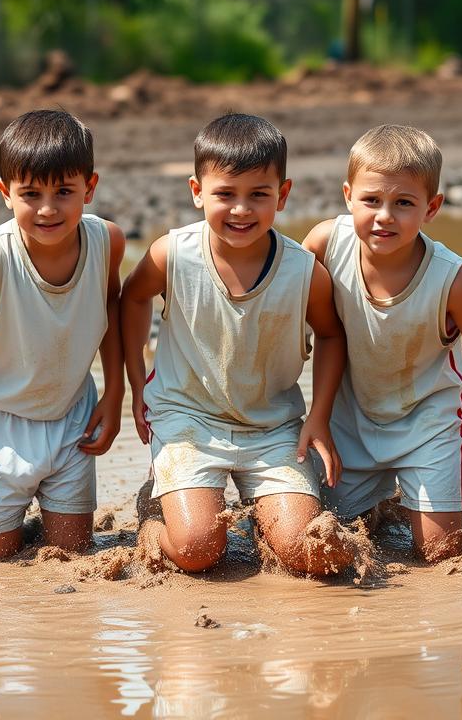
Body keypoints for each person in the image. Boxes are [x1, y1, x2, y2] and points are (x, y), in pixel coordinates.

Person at [121, 112, 352, 576]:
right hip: (188, 418)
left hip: (272, 428)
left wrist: (320, 418)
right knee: (198, 549)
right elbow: (132, 298)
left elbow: (331, 334)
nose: (241, 210)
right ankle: (154, 519)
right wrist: (134, 383)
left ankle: (266, 517)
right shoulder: (174, 254)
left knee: (314, 554)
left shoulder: (303, 271)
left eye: (258, 195)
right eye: (225, 194)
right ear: (197, 191)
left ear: (282, 196)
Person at [302, 124, 462, 562]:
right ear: (348, 196)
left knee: (440, 552)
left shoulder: (452, 282)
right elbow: (282, 309)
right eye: (371, 201)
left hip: (427, 423)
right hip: (350, 417)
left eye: (403, 203)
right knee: (336, 538)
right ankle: (386, 501)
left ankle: (450, 501)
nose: (385, 216)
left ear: (432, 208)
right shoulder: (326, 244)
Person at [0, 109, 125, 560]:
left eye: (64, 191)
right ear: (6, 193)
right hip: (0, 424)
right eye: (30, 193)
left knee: (73, 552)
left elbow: (111, 316)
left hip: (73, 419)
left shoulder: (108, 243)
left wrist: (115, 394)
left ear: (90, 188)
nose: (47, 208)